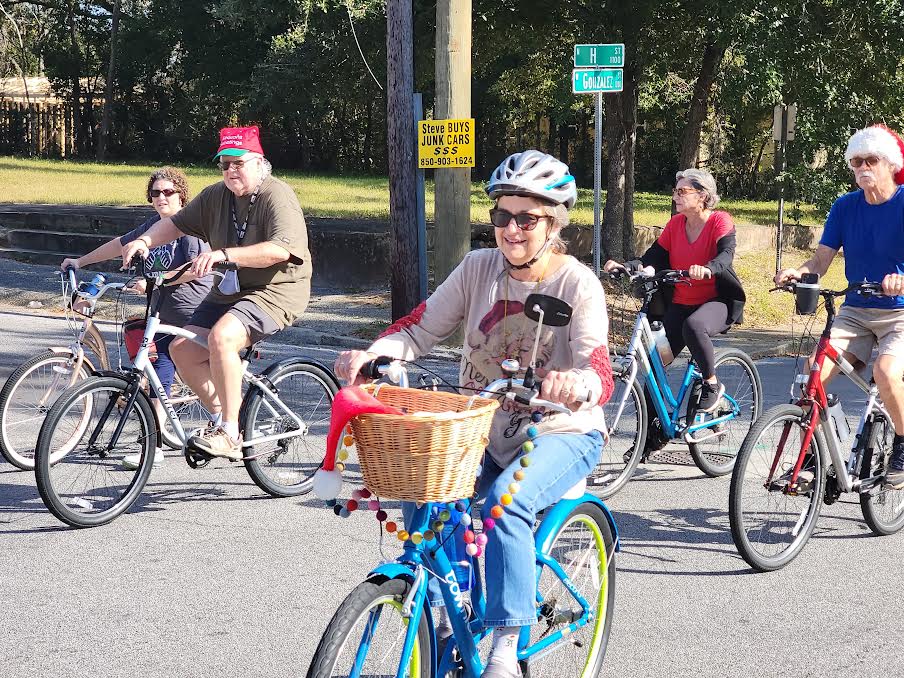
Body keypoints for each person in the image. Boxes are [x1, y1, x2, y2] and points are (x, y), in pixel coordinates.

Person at [334, 150, 613, 678]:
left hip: (562, 429)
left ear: (553, 223)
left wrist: (576, 383)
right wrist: (374, 355)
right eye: (502, 216)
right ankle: (445, 613)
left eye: (526, 218)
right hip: (482, 424)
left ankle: (506, 647)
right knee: (428, 492)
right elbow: (418, 329)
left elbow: (599, 362)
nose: (510, 229)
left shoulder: (577, 284)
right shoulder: (477, 268)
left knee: (506, 506)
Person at [121, 126, 313, 460]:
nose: (230, 171)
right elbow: (175, 223)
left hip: (277, 289)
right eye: (224, 164)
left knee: (222, 337)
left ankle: (228, 430)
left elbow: (280, 250)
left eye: (237, 163)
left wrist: (225, 255)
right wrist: (145, 240)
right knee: (182, 348)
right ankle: (225, 420)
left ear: (258, 163)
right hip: (232, 289)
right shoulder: (215, 196)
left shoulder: (276, 195)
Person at [775, 124, 904, 489]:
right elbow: (820, 261)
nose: (863, 167)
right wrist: (798, 273)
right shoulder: (845, 207)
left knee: (886, 371)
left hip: (899, 312)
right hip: (856, 309)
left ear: (890, 164)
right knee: (810, 375)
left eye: (871, 160)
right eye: (857, 161)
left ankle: (903, 443)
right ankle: (814, 456)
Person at [61, 167, 213, 468]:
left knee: (191, 374)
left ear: (181, 195)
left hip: (195, 315)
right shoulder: (154, 227)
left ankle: (229, 421)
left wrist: (158, 280)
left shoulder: (188, 228)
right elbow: (120, 244)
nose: (161, 198)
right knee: (156, 378)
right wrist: (80, 260)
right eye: (155, 193)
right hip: (161, 316)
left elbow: (197, 268)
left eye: (168, 192)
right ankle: (153, 446)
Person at [604, 168, 745, 414]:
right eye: (675, 191)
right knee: (656, 368)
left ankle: (712, 384)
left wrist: (708, 268)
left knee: (694, 326)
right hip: (680, 303)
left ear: (702, 196)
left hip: (715, 302)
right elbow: (653, 257)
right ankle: (652, 438)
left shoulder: (719, 220)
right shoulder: (676, 224)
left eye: (682, 191)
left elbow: (726, 255)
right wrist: (626, 267)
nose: (675, 197)